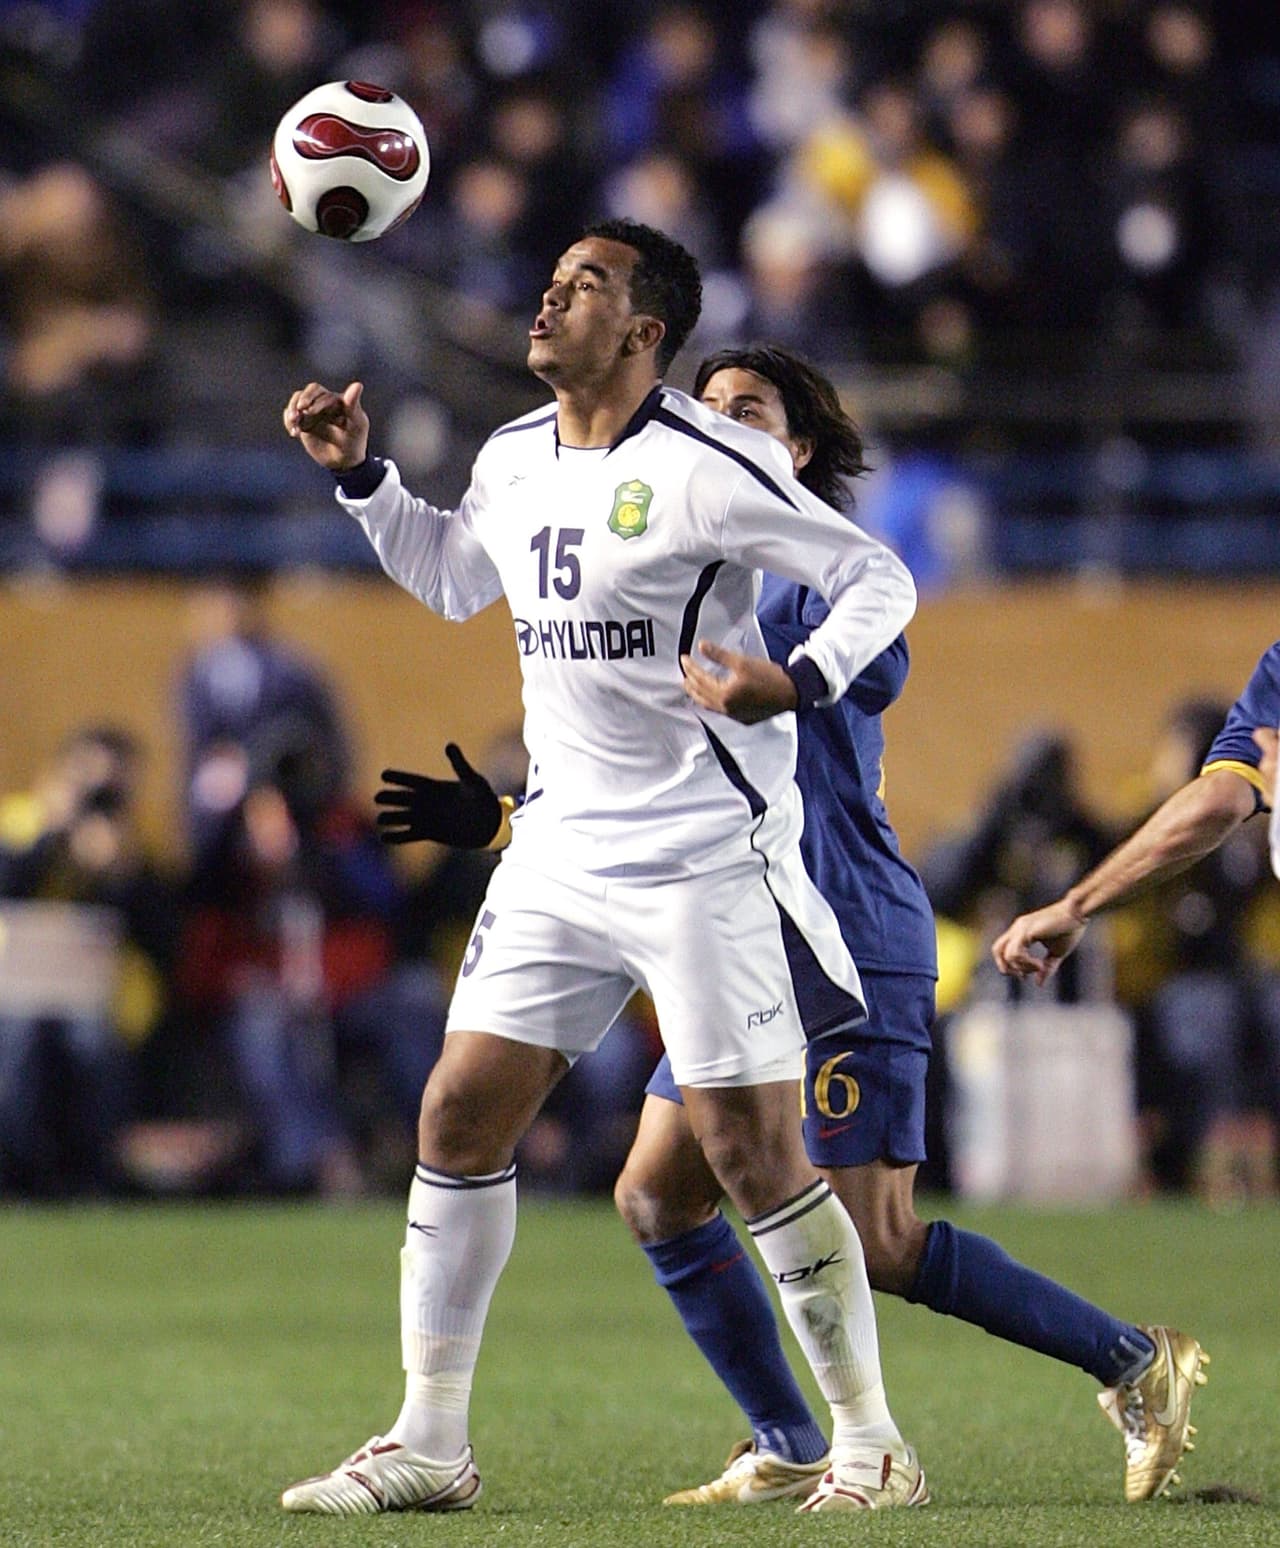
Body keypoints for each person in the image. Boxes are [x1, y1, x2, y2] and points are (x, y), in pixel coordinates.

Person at [378, 343, 1209, 1508]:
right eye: (702, 407)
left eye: (747, 411)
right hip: (723, 929)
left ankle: (1131, 1361)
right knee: (655, 1195)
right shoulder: (659, 555)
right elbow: (644, 779)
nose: (713, 425)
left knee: (871, 1238)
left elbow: (826, 694)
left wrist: (790, 670)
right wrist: (519, 815)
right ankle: (786, 1435)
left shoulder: (815, 583)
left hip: (840, 933)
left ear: (797, 447)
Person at [279, 218, 923, 1515]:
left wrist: (791, 678)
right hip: (561, 846)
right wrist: (366, 484)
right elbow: (462, 578)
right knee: (459, 1112)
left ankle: (870, 1445)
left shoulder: (717, 458)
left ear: (643, 333)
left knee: (749, 1151)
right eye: (554, 275)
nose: (549, 297)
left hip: (702, 853)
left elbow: (876, 580)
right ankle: (431, 1443)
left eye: (585, 286)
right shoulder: (515, 455)